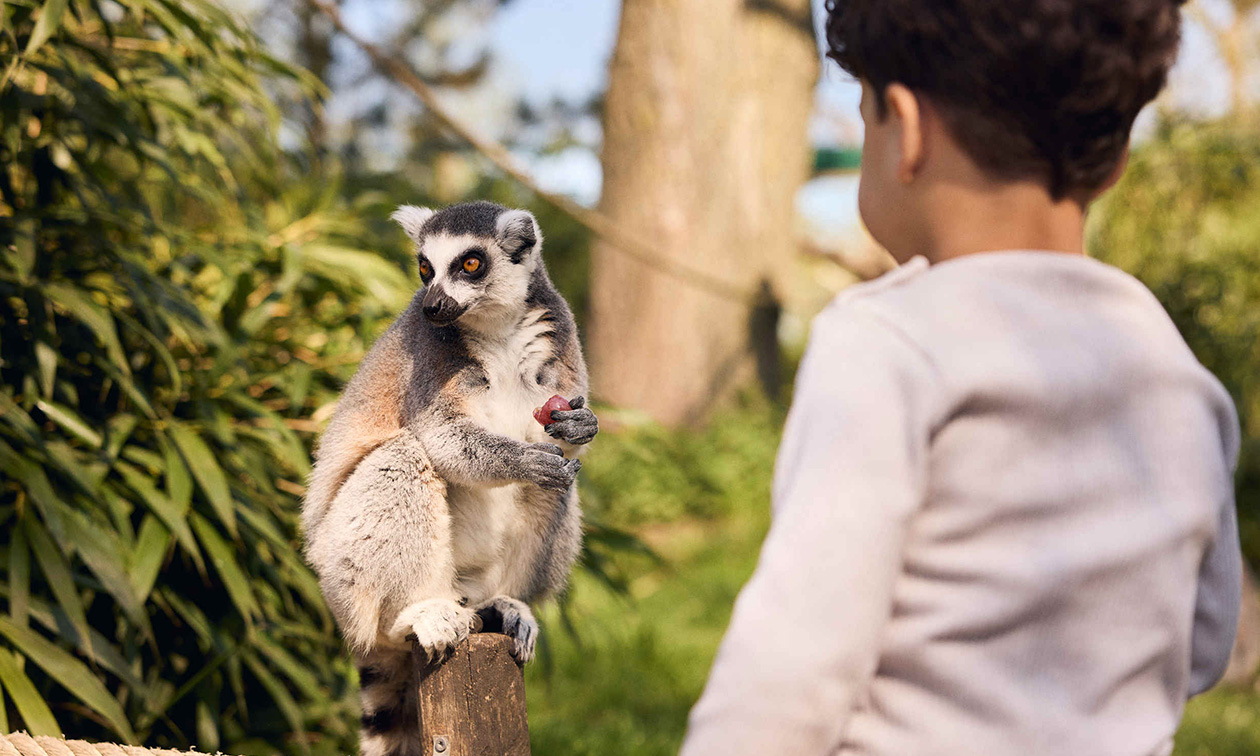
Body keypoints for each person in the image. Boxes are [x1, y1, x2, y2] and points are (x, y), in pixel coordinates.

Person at [678, 2, 1242, 755]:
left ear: (904, 128)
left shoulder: (885, 342)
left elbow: (789, 670)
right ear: (1113, 162)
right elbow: (1204, 647)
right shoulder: (1174, 368)